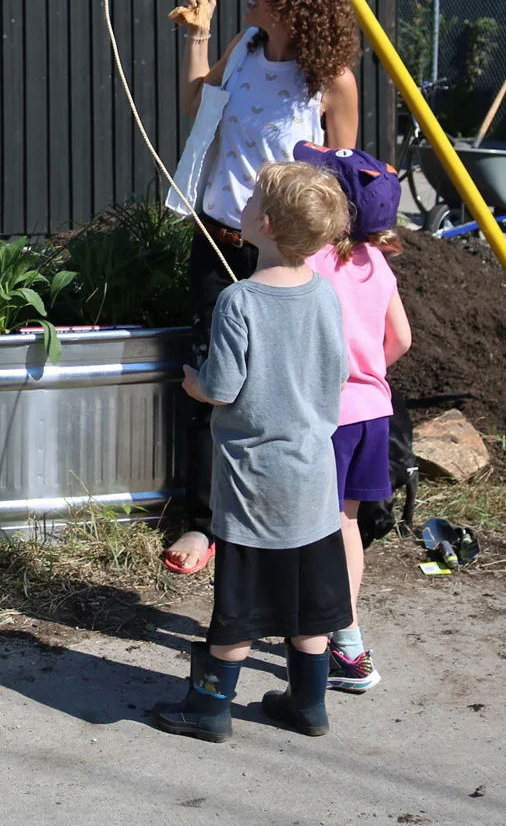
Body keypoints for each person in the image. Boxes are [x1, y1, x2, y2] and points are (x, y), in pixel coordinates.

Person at [165, 0, 359, 576]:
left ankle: (282, 518)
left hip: (281, 252)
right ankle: (203, 522)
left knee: (276, 391)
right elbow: (198, 105)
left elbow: (337, 184)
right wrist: (199, 33)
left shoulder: (329, 82)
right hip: (218, 236)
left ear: (296, 1)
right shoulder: (245, 49)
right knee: (209, 384)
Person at [152, 162, 353, 743]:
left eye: (251, 199)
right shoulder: (325, 295)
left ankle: (209, 709)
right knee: (312, 611)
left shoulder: (238, 302)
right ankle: (308, 705)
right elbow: (337, 372)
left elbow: (222, 388)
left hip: (252, 484)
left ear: (262, 224)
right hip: (314, 480)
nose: (240, 204)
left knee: (238, 610)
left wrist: (194, 384)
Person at [297, 143, 409, 697]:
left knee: (314, 526)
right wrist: (366, 376)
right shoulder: (378, 262)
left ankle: (330, 639)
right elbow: (402, 339)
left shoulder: (313, 262)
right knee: (348, 525)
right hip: (374, 413)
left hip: (328, 418)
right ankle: (347, 634)